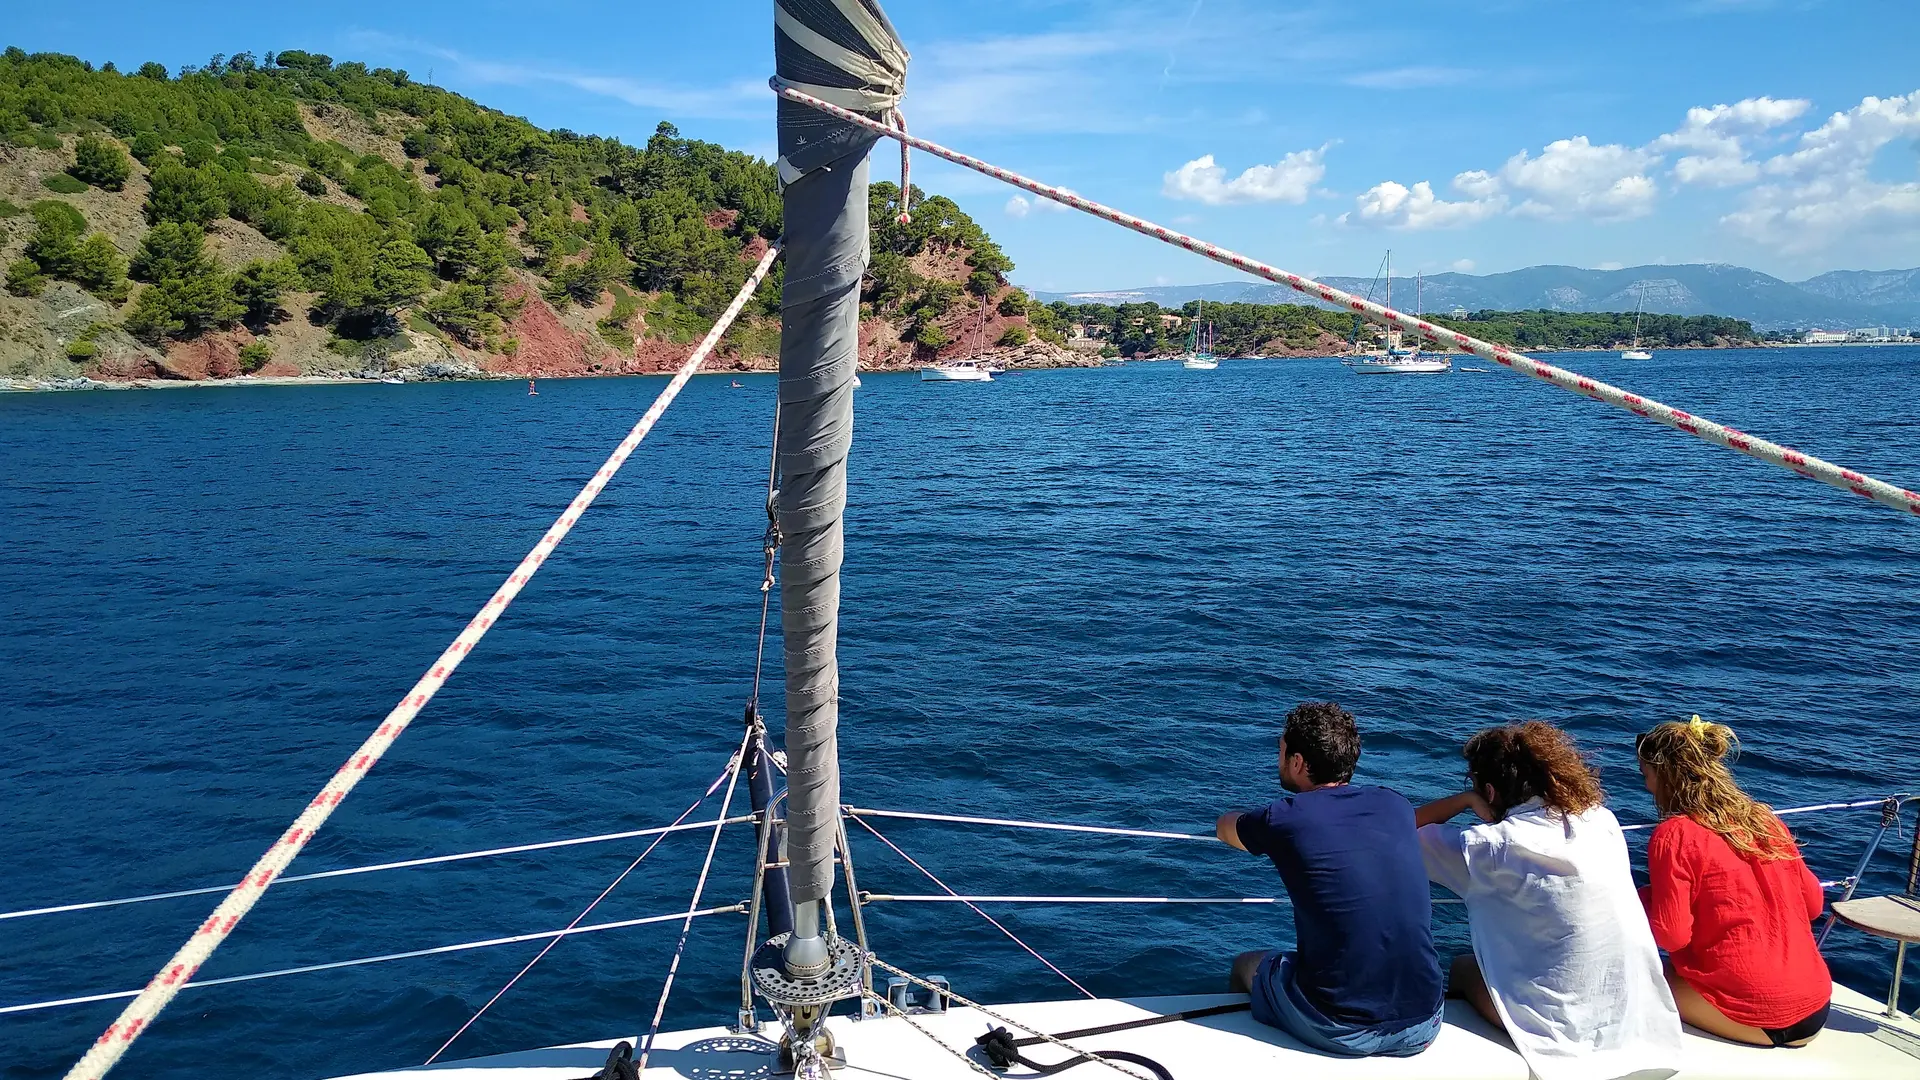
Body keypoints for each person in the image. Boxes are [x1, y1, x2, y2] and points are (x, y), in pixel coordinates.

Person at [1416, 721, 1680, 1080]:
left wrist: (1464, 802)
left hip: (1560, 1031)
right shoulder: (1601, 821)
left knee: (1462, 967)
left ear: (1489, 791)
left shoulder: (1489, 848)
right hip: (1632, 1020)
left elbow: (1399, 830)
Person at [1216, 701, 1445, 1058]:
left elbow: (1225, 829)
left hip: (1340, 1026)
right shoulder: (1394, 804)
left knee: (1247, 965)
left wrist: (1246, 820)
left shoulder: (1285, 818)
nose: (1278, 759)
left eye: (1281, 750)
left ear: (1298, 762)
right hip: (1425, 1021)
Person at [1637, 717, 1832, 1048]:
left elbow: (1672, 935)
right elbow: (1814, 905)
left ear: (1663, 774)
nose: (1646, 786)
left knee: (1631, 977)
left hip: (1754, 1013)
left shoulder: (1674, 834)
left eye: (1647, 775)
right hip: (1816, 1008)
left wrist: (1644, 900)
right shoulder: (1765, 819)